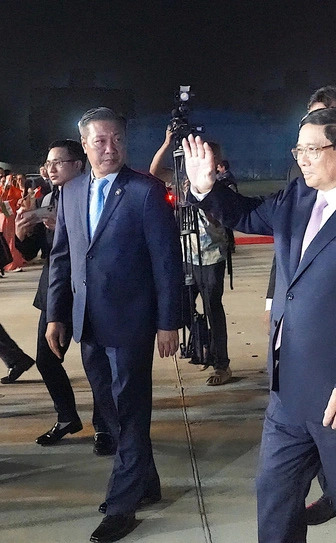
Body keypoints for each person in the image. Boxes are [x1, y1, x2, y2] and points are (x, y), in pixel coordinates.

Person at [183, 106, 336, 543]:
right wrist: (205, 187)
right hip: (288, 394)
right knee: (274, 502)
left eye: (312, 149)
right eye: (299, 149)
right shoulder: (298, 198)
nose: (302, 158)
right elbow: (246, 215)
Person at [46, 107, 183, 543]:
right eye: (100, 141)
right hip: (87, 323)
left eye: (118, 140)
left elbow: (166, 263)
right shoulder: (70, 192)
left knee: (130, 409)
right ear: (84, 145)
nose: (110, 148)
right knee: (110, 410)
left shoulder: (145, 191)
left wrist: (168, 322)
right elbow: (61, 259)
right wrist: (55, 314)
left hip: (132, 324)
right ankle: (147, 482)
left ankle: (123, 505)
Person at [15, 139, 110, 446]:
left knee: (96, 364)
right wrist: (21, 234)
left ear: (79, 165)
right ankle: (67, 417)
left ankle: (105, 426)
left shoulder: (93, 195)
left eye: (58, 162)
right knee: (46, 358)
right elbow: (35, 253)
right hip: (56, 293)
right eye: (48, 163)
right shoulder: (45, 198)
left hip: (90, 292)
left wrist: (63, 225)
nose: (50, 169)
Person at [150, 128, 232, 386]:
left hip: (211, 256)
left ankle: (222, 364)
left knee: (212, 308)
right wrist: (165, 143)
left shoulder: (224, 184)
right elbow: (154, 172)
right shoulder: (183, 178)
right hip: (186, 254)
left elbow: (217, 218)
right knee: (180, 308)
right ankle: (203, 342)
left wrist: (202, 192)